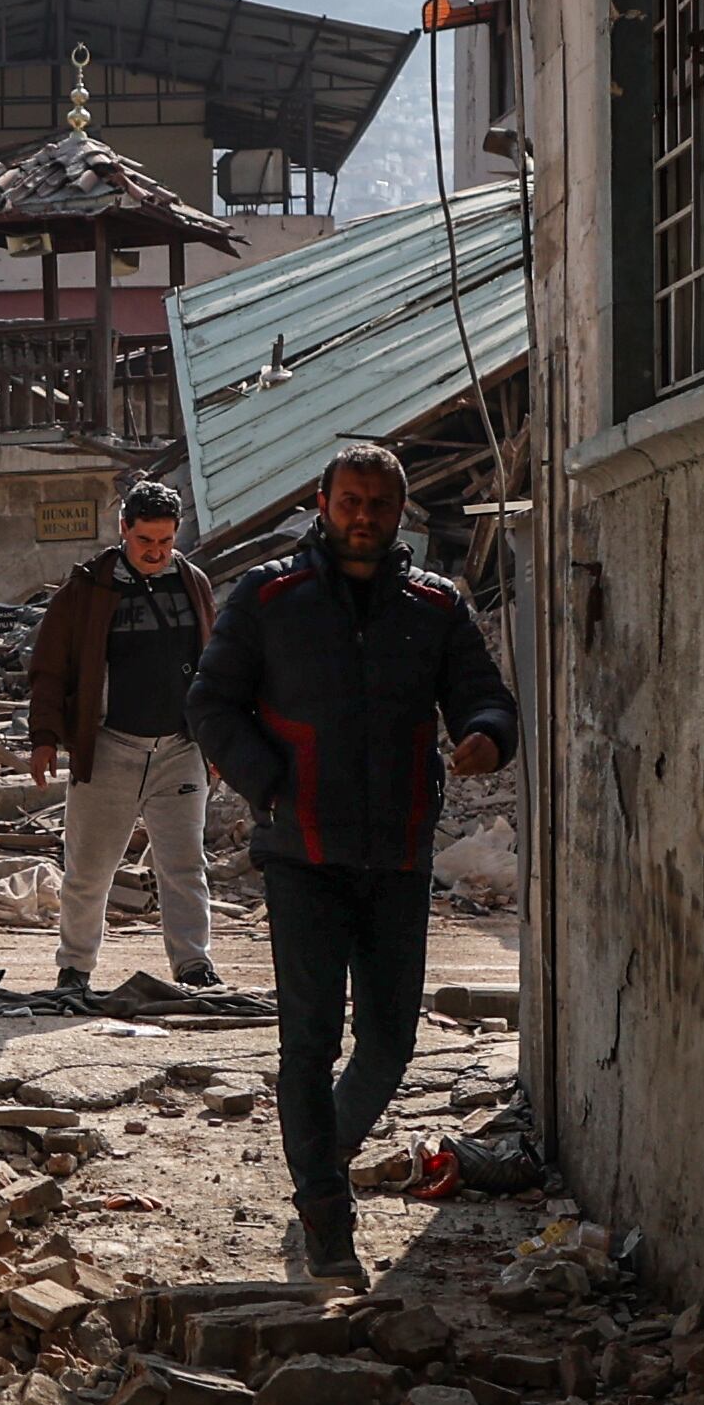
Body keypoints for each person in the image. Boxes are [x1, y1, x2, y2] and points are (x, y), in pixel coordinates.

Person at [185, 441, 518, 1286]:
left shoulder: (434, 604)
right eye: (350, 502)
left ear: (399, 513)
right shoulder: (270, 595)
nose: (363, 518)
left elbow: (483, 692)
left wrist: (486, 734)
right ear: (323, 503)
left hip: (399, 849)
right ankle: (329, 1221)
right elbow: (212, 702)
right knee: (309, 1040)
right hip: (303, 851)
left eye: (379, 504)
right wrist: (271, 785)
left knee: (392, 1039)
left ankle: (319, 1161)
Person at [22, 478, 223, 1008]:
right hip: (109, 746)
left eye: (165, 542)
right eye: (145, 542)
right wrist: (44, 736)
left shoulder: (193, 582)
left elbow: (215, 665)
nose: (156, 553)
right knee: (89, 867)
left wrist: (219, 740)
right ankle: (75, 968)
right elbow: (49, 667)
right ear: (122, 530)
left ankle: (194, 964)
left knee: (184, 865)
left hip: (180, 748)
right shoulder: (88, 590)